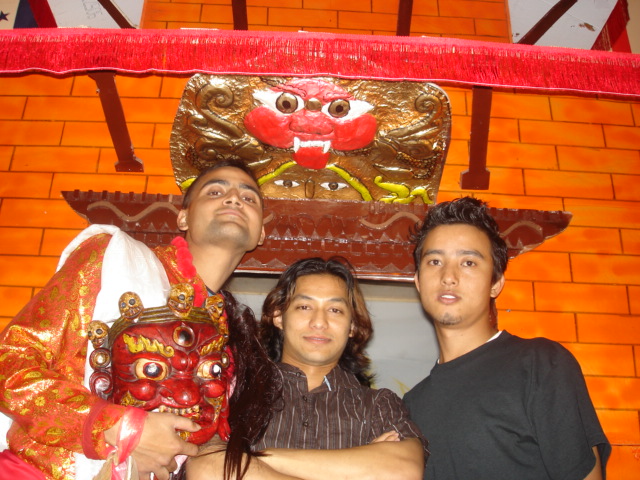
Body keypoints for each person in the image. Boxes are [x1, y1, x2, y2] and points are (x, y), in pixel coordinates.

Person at [0, 160, 280, 480]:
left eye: (248, 197)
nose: (233, 199)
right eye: (215, 191)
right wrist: (119, 427)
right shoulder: (114, 258)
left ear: (260, 233)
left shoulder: (228, 335)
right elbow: (11, 364)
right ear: (183, 217)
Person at [403, 196, 611, 480]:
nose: (448, 276)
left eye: (468, 262)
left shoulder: (539, 365)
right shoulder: (411, 404)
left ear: (495, 284)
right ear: (418, 282)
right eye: (435, 261)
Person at [187, 256, 427, 480]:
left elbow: (404, 469)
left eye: (335, 310)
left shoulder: (378, 405)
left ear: (352, 326)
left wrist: (254, 458)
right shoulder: (235, 391)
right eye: (304, 307)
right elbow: (205, 466)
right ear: (278, 316)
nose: (319, 322)